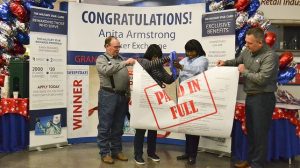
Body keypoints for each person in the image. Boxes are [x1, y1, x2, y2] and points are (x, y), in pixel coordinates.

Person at [217, 27, 279, 168]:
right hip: (250, 97)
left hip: (263, 98)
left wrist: (244, 71)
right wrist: (225, 63)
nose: (247, 45)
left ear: (260, 43)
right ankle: (250, 161)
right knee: (251, 132)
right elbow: (237, 60)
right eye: (246, 42)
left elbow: (262, 79)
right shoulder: (247, 51)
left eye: (250, 43)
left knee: (260, 134)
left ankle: (257, 165)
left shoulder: (270, 56)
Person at [134, 44, 176, 165]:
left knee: (153, 128)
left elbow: (168, 80)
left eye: (158, 57)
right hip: (143, 100)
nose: (156, 59)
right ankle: (138, 154)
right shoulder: (142, 62)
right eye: (154, 56)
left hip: (155, 101)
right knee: (141, 129)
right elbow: (148, 65)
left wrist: (175, 71)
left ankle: (151, 153)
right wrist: (167, 59)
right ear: (150, 55)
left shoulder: (159, 66)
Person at [96, 36, 135, 164]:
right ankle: (105, 153)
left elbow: (126, 79)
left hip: (122, 97)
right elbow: (107, 71)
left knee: (118, 126)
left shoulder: (120, 59)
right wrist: (124, 63)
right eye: (116, 46)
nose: (118, 49)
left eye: (119, 46)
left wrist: (128, 94)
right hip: (108, 96)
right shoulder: (101, 59)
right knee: (105, 126)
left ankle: (116, 150)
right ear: (107, 46)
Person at [174, 39, 208, 165]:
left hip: (196, 96)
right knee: (187, 125)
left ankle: (193, 155)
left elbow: (197, 70)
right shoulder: (186, 59)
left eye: (191, 51)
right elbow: (179, 69)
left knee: (194, 127)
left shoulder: (203, 60)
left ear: (197, 50)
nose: (189, 54)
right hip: (184, 95)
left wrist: (181, 67)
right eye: (187, 51)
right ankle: (187, 152)